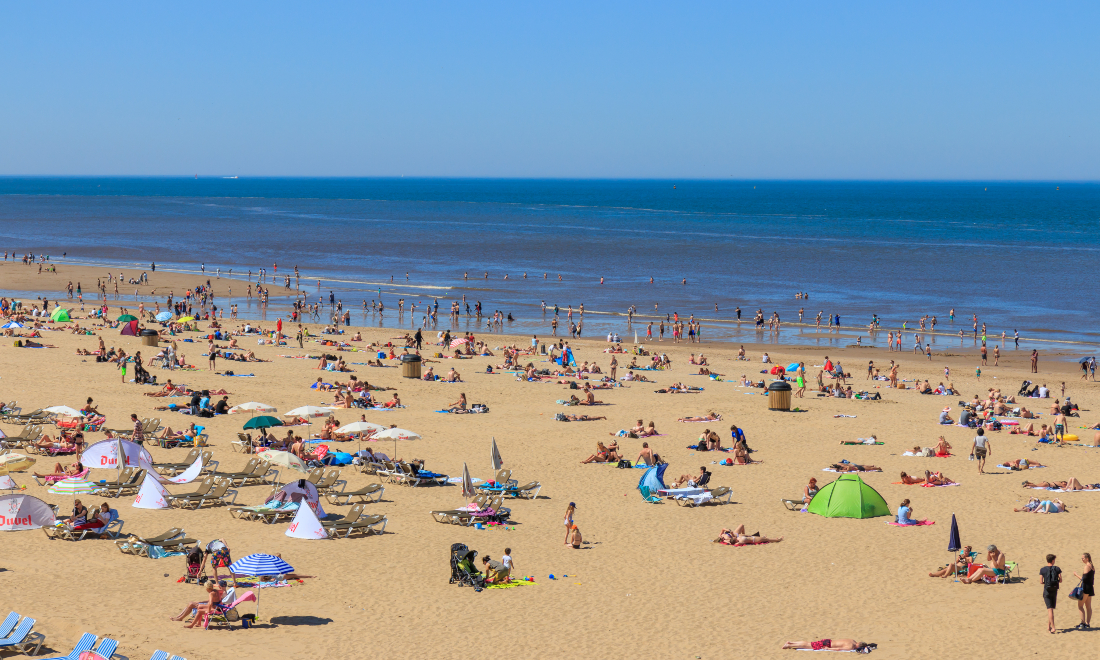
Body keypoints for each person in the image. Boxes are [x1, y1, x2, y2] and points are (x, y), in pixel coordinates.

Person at [1040, 554, 1062, 633]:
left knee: (1050, 610)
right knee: (1051, 609)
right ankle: (1048, 626)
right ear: (1053, 560)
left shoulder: (1043, 570)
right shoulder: (1057, 569)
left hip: (1047, 591)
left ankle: (1053, 627)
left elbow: (1041, 581)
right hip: (1054, 590)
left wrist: (1045, 583)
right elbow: (1060, 580)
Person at [1073, 553, 1094, 629]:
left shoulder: (1086, 567)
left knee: (1080, 606)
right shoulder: (1092, 566)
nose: (1082, 559)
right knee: (1088, 606)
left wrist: (1076, 575)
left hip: (1085, 588)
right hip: (1090, 587)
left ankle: (1083, 623)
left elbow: (1084, 579)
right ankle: (1087, 623)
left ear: (1087, 558)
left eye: (1083, 558)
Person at [715, 524, 783, 545]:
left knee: (747, 534)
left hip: (743, 537)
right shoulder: (729, 540)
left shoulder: (721, 535)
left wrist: (728, 530)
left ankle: (764, 537)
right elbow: (731, 542)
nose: (722, 537)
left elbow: (722, 529)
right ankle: (777, 539)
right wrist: (732, 534)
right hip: (751, 539)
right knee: (767, 539)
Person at [781, 639, 875, 652]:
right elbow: (838, 649)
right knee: (808, 646)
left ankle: (791, 643)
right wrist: (828, 649)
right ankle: (788, 646)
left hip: (828, 640)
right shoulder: (851, 647)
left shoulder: (852, 640)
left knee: (808, 643)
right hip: (828, 644)